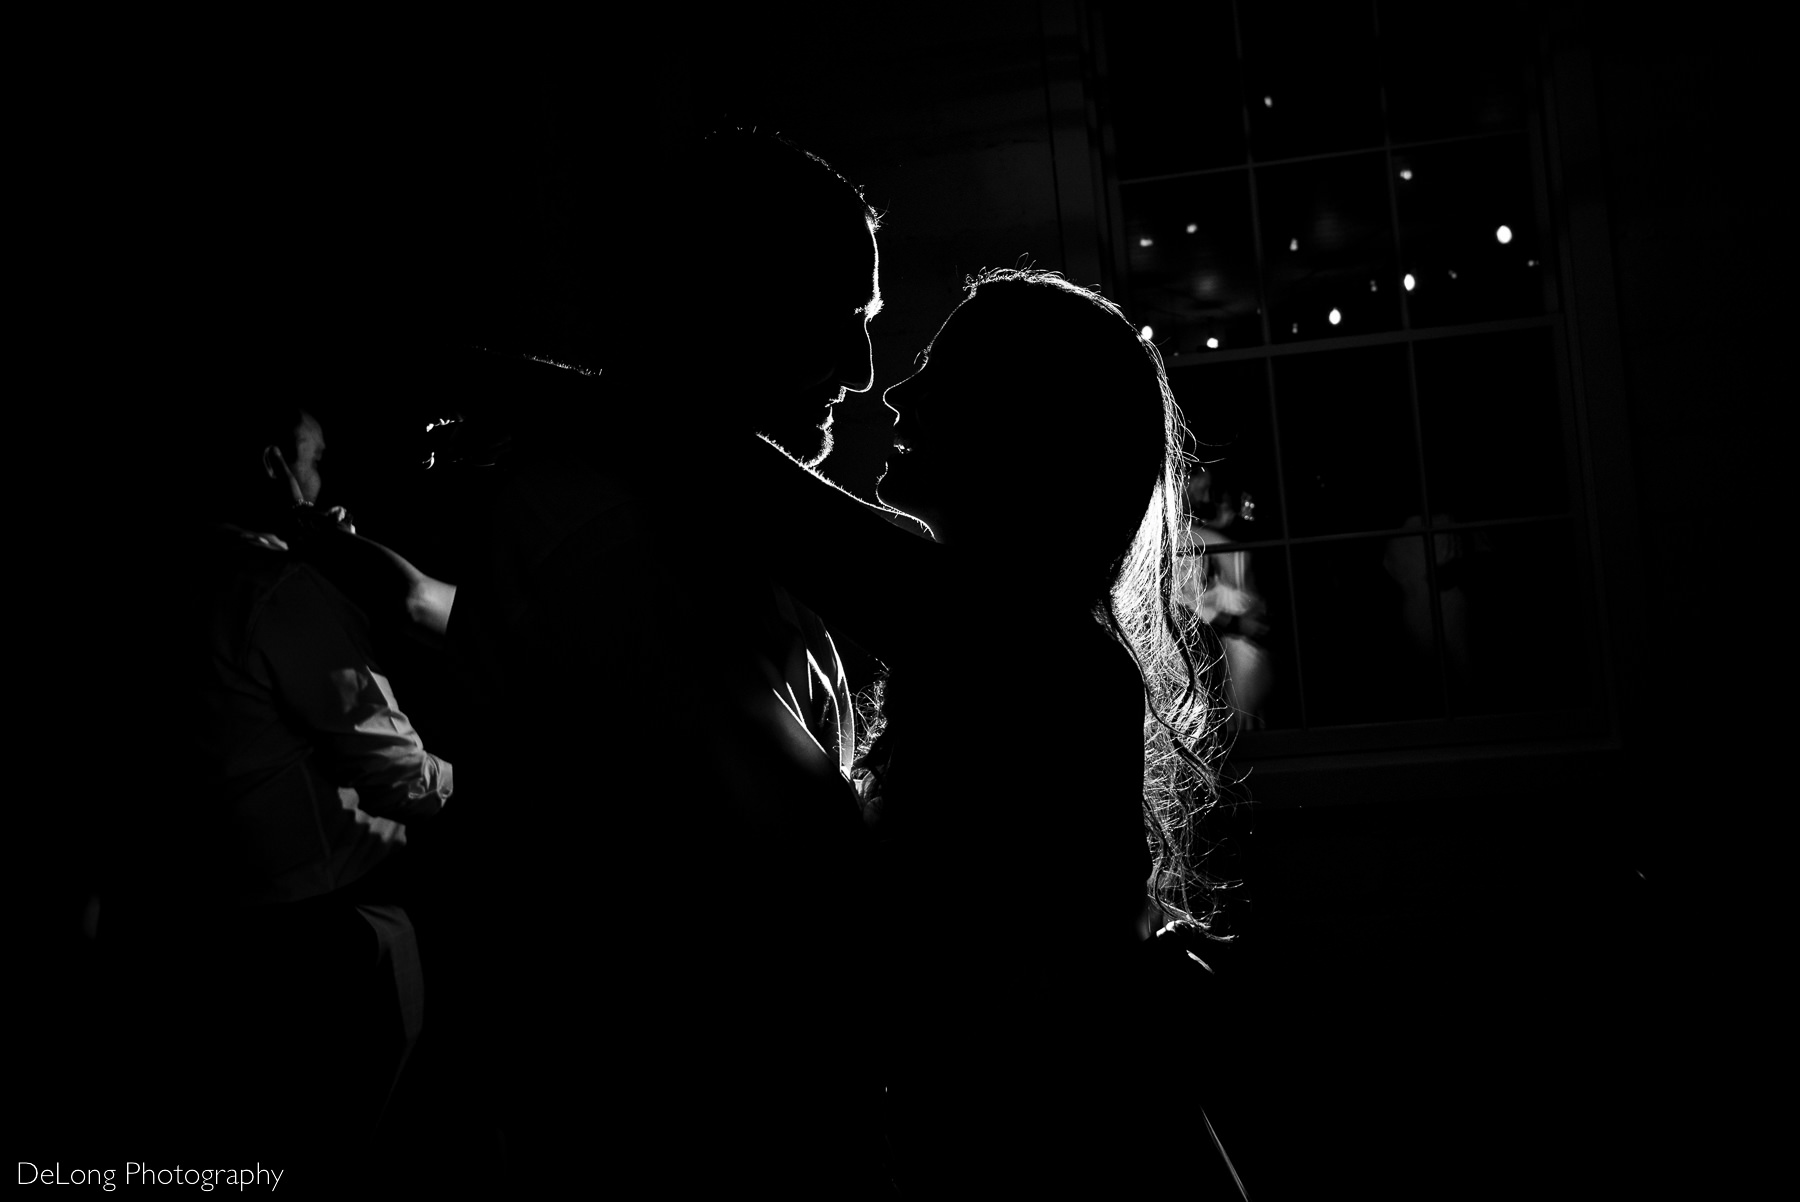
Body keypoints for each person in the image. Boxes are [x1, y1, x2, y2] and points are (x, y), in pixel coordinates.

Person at [446, 128, 894, 1196]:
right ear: (728, 307)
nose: (869, 370)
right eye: (839, 319)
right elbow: (781, 880)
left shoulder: (738, 519)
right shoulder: (594, 528)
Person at [760, 268, 1245, 1197]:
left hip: (1072, 1177)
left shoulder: (1011, 636)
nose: (896, 390)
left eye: (938, 372)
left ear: (1016, 428)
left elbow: (733, 483)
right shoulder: (1016, 634)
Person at [103, 402, 453, 1175]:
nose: (324, 477)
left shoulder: (150, 577)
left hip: (199, 914)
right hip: (329, 925)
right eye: (315, 458)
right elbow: (395, 772)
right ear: (272, 466)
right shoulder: (274, 589)